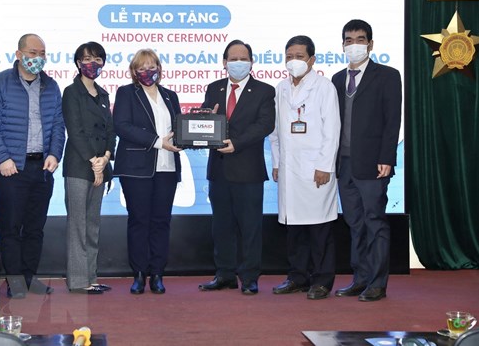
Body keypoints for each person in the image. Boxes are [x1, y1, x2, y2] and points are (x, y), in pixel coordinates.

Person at [0, 33, 65, 299]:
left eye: (42, 53)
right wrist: (2, 157)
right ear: (18, 54)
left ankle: (30, 277)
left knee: (35, 228)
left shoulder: (51, 86)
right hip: (12, 168)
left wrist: (55, 154)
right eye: (32, 53)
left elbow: (58, 125)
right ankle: (15, 280)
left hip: (42, 168)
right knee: (11, 227)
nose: (37, 58)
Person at [331, 19, 402, 302]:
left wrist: (387, 157)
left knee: (375, 222)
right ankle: (360, 279)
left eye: (360, 39)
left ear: (370, 44)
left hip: (373, 164)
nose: (354, 45)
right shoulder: (337, 79)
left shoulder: (387, 75)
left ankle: (377, 283)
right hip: (344, 163)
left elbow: (392, 120)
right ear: (343, 45)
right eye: (349, 40)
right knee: (354, 223)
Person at [198, 39, 275, 295]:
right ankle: (225, 274)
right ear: (224, 62)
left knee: (250, 227)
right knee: (221, 226)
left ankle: (250, 277)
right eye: (234, 59)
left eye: (244, 59)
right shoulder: (214, 88)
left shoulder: (264, 91)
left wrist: (237, 143)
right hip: (218, 169)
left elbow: (265, 124)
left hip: (248, 170)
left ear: (252, 63)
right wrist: (205, 120)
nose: (238, 63)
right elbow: (205, 121)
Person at [269, 35, 341, 300]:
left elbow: (332, 130)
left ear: (312, 59)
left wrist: (324, 166)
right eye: (289, 56)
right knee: (294, 229)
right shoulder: (280, 88)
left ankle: (322, 281)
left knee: (319, 228)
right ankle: (297, 277)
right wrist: (277, 163)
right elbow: (275, 132)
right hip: (289, 170)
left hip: (315, 170)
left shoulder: (324, 87)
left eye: (299, 56)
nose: (293, 61)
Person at [113, 48, 182, 295]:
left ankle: (158, 273)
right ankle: (139, 274)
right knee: (139, 221)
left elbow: (180, 128)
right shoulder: (126, 93)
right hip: (136, 169)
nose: (147, 71)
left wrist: (194, 133)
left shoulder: (170, 96)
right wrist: (157, 142)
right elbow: (122, 126)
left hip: (167, 167)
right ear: (134, 71)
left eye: (152, 66)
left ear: (159, 69)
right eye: (142, 67)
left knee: (161, 222)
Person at [62, 42, 116, 295]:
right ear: (78, 63)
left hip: (100, 167)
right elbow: (75, 131)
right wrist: (94, 162)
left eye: (97, 59)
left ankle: (91, 277)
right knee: (78, 225)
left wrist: (105, 158)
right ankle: (77, 280)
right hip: (79, 166)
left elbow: (110, 131)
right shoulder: (71, 92)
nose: (92, 63)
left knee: (92, 224)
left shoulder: (103, 94)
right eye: (86, 59)